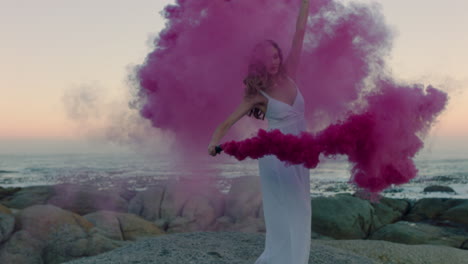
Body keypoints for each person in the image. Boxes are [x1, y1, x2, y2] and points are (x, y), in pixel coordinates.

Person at [208, 0, 311, 263]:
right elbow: (226, 122)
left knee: (302, 209)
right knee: (289, 211)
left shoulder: (292, 73)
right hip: (276, 158)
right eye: (267, 59)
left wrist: (305, 3)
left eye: (276, 56)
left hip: (299, 154)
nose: (274, 62)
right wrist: (214, 142)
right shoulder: (257, 94)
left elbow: (299, 32)